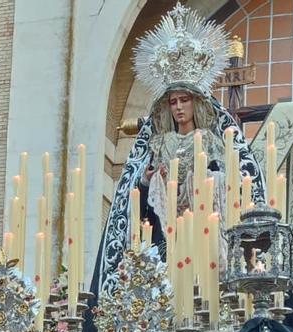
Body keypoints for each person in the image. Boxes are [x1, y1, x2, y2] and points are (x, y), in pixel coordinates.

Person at [91, 3, 265, 309]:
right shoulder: (158, 144)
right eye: (173, 102)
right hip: (166, 239)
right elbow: (137, 206)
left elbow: (234, 188)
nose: (179, 107)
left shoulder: (212, 141)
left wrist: (208, 180)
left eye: (184, 100)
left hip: (206, 235)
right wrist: (148, 183)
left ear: (196, 103)